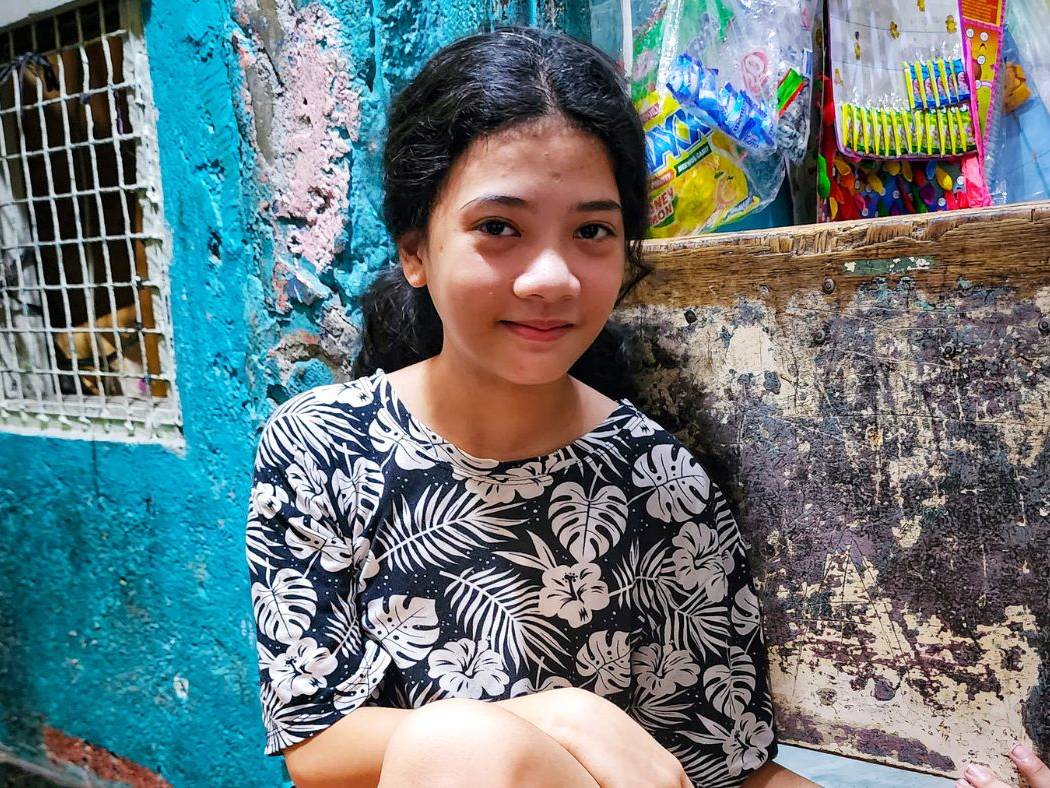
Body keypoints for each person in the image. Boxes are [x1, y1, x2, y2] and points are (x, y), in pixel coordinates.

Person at [245, 25, 1043, 788]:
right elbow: (317, 743)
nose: (552, 277)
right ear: (414, 250)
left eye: (592, 230)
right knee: (461, 747)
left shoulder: (659, 484)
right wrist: (562, 715)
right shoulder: (323, 445)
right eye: (499, 227)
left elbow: (733, 769)